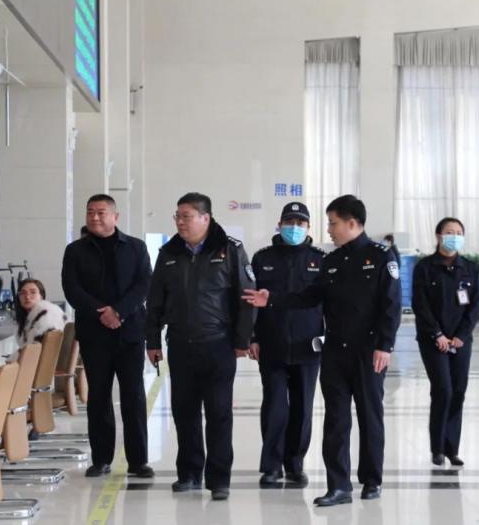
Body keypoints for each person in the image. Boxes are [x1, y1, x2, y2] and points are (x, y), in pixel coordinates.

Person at [243, 194, 401, 507]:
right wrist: (271, 299)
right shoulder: (332, 261)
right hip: (335, 353)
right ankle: (338, 486)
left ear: (352, 223)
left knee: (370, 416)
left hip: (368, 352)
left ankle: (372, 479)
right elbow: (308, 296)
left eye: (333, 223)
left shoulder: (381, 256)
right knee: (336, 421)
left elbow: (391, 305)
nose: (329, 229)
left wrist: (385, 345)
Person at [146, 193, 255, 501]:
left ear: (205, 218)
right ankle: (189, 473)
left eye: (187, 216)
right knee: (184, 413)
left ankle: (219, 479)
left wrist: (242, 340)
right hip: (181, 345)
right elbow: (155, 301)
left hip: (218, 345)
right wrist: (152, 340)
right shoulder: (168, 253)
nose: (180, 222)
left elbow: (247, 298)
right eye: (177, 217)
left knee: (219, 414)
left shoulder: (230, 249)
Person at [61, 194, 153, 478]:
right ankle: (101, 459)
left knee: (133, 396)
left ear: (115, 216)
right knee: (98, 397)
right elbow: (71, 288)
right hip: (94, 334)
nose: (95, 217)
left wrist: (119, 312)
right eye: (90, 212)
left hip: (130, 333)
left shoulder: (135, 247)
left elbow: (144, 284)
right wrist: (101, 312)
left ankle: (138, 461)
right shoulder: (75, 250)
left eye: (101, 212)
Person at [249, 202, 324, 488]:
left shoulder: (320, 260)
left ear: (308, 227)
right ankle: (271, 466)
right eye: (289, 222)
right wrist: (253, 337)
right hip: (272, 344)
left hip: (309, 346)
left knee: (303, 408)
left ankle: (295, 464)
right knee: (275, 406)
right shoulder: (262, 258)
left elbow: (331, 304)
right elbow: (251, 303)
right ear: (279, 225)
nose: (294, 227)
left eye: (300, 223)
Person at [411, 217, 479, 468]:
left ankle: (452, 449)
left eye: (459, 232)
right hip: (433, 340)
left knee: (458, 391)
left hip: (461, 340)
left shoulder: (470, 269)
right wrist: (438, 335)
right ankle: (437, 448)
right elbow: (420, 305)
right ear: (439, 236)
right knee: (443, 390)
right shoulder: (425, 268)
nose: (455, 236)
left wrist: (461, 336)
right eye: (449, 232)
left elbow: (475, 306)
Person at [15, 279, 67, 346]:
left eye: (33, 292)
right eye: (23, 293)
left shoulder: (48, 317)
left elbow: (46, 349)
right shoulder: (27, 321)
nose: (27, 296)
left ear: (41, 296)